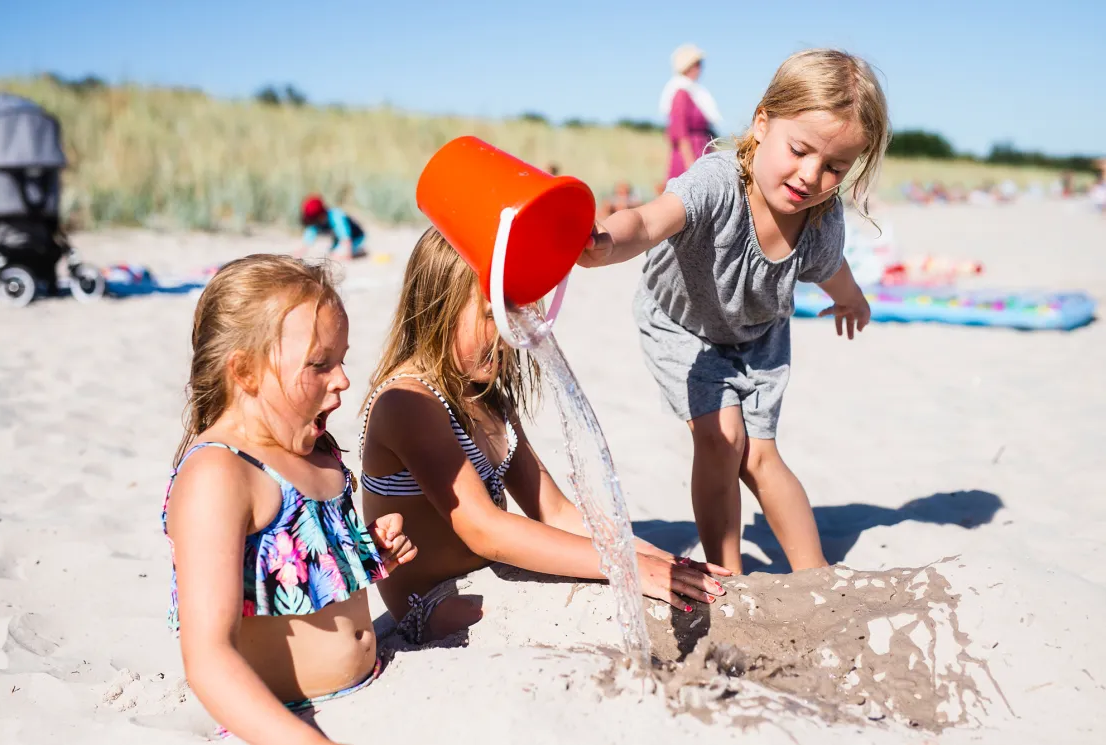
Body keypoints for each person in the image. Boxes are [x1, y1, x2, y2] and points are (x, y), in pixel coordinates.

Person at [580, 49, 889, 574]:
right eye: (799, 149)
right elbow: (651, 220)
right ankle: (729, 575)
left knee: (761, 455)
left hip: (757, 336)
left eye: (834, 166)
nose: (810, 176)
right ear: (763, 123)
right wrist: (606, 241)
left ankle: (818, 577)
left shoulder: (818, 219)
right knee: (723, 440)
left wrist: (851, 299)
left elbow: (830, 266)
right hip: (682, 325)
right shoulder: (718, 182)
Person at [357, 228, 730, 644]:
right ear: (436, 308)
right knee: (618, 608)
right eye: (490, 315)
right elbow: (485, 529)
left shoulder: (485, 395)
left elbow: (552, 510)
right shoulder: (408, 403)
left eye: (514, 315)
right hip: (434, 604)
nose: (508, 336)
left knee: (651, 593)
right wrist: (627, 567)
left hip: (489, 575)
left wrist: (647, 554)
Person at [162, 255, 416, 744]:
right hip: (284, 721)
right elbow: (209, 657)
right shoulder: (221, 474)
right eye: (319, 364)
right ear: (246, 372)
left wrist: (365, 555)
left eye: (343, 359)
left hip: (372, 687)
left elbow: (300, 570)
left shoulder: (315, 449)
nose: (342, 379)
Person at [659, 43, 723, 181]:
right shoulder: (681, 93)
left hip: (700, 151)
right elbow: (680, 132)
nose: (701, 69)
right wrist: (691, 165)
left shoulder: (696, 93)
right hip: (689, 156)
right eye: (698, 64)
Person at [297, 195, 367, 260]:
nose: (312, 222)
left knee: (338, 254)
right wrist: (297, 254)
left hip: (356, 238)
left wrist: (347, 254)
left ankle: (359, 250)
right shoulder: (316, 221)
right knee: (332, 253)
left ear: (320, 215)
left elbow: (345, 238)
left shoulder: (336, 216)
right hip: (338, 241)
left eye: (312, 219)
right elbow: (307, 241)